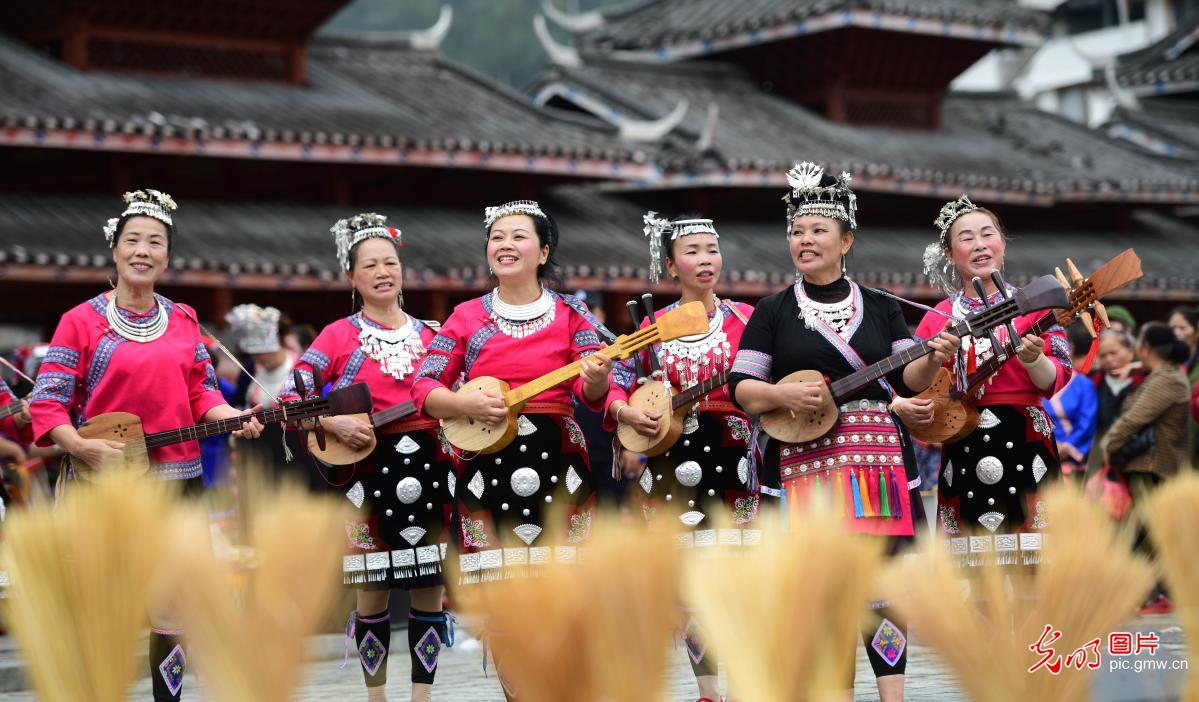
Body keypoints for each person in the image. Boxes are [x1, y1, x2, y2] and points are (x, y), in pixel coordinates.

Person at [729, 163, 959, 701]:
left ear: (846, 240)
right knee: (819, 588)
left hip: (877, 461)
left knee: (883, 587)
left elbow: (909, 376)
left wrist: (936, 358)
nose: (804, 241)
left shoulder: (880, 306)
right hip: (801, 463)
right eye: (796, 232)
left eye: (817, 231)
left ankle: (892, 697)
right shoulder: (773, 310)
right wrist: (784, 395)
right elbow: (743, 387)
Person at [27, 189, 264, 702]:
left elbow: (201, 392)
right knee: (102, 605)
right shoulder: (80, 320)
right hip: (105, 481)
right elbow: (48, 403)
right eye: (132, 240)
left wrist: (233, 417)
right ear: (113, 250)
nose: (143, 250)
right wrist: (81, 447)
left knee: (173, 609)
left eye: (155, 242)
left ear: (168, 256)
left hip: (179, 481)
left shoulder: (182, 318)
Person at [278, 213, 452, 702]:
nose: (383, 272)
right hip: (367, 469)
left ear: (402, 270)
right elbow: (291, 399)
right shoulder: (335, 336)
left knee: (428, 587)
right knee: (372, 590)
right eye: (370, 264)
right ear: (351, 277)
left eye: (390, 262)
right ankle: (376, 698)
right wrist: (332, 423)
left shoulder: (432, 335)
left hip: (431, 464)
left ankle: (423, 696)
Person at [413, 200, 618, 592]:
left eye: (518, 236)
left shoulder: (574, 315)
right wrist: (462, 404)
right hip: (487, 456)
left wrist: (596, 377)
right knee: (501, 592)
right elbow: (424, 385)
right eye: (497, 237)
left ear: (543, 253)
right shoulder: (466, 316)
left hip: (558, 459)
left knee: (563, 585)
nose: (505, 244)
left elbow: (591, 394)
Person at [608, 211, 755, 702]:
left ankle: (746, 681)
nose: (705, 260)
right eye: (692, 251)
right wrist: (628, 412)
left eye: (712, 249)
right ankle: (708, 689)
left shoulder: (745, 320)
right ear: (670, 265)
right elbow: (621, 386)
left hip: (736, 454)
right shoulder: (651, 327)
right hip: (673, 457)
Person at [918, 194, 1072, 569]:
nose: (980, 244)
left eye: (988, 234)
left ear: (1002, 243)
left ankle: (1033, 629)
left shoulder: (1038, 303)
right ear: (950, 254)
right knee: (973, 568)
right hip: (964, 439)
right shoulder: (937, 317)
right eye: (966, 238)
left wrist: (1035, 360)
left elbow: (1055, 378)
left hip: (1026, 436)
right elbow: (919, 386)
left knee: (1034, 563)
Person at [1101, 322, 1191, 613]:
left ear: (1147, 347)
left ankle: (1153, 595)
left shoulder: (1168, 380)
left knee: (1143, 533)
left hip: (1153, 465)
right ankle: (1154, 594)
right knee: (1144, 532)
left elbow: (1133, 419)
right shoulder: (1162, 375)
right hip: (1147, 464)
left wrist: (1108, 445)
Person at [1043, 323, 1098, 482]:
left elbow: (1087, 422)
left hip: (1070, 457)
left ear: (1070, 348)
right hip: (1041, 450)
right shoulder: (1031, 382)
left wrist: (1066, 446)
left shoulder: (1083, 384)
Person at [1087, 329, 1144, 475]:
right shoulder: (1094, 381)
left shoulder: (1145, 379)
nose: (1108, 359)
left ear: (1130, 351)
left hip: (1139, 459)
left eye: (1113, 353)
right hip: (1103, 460)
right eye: (1103, 355)